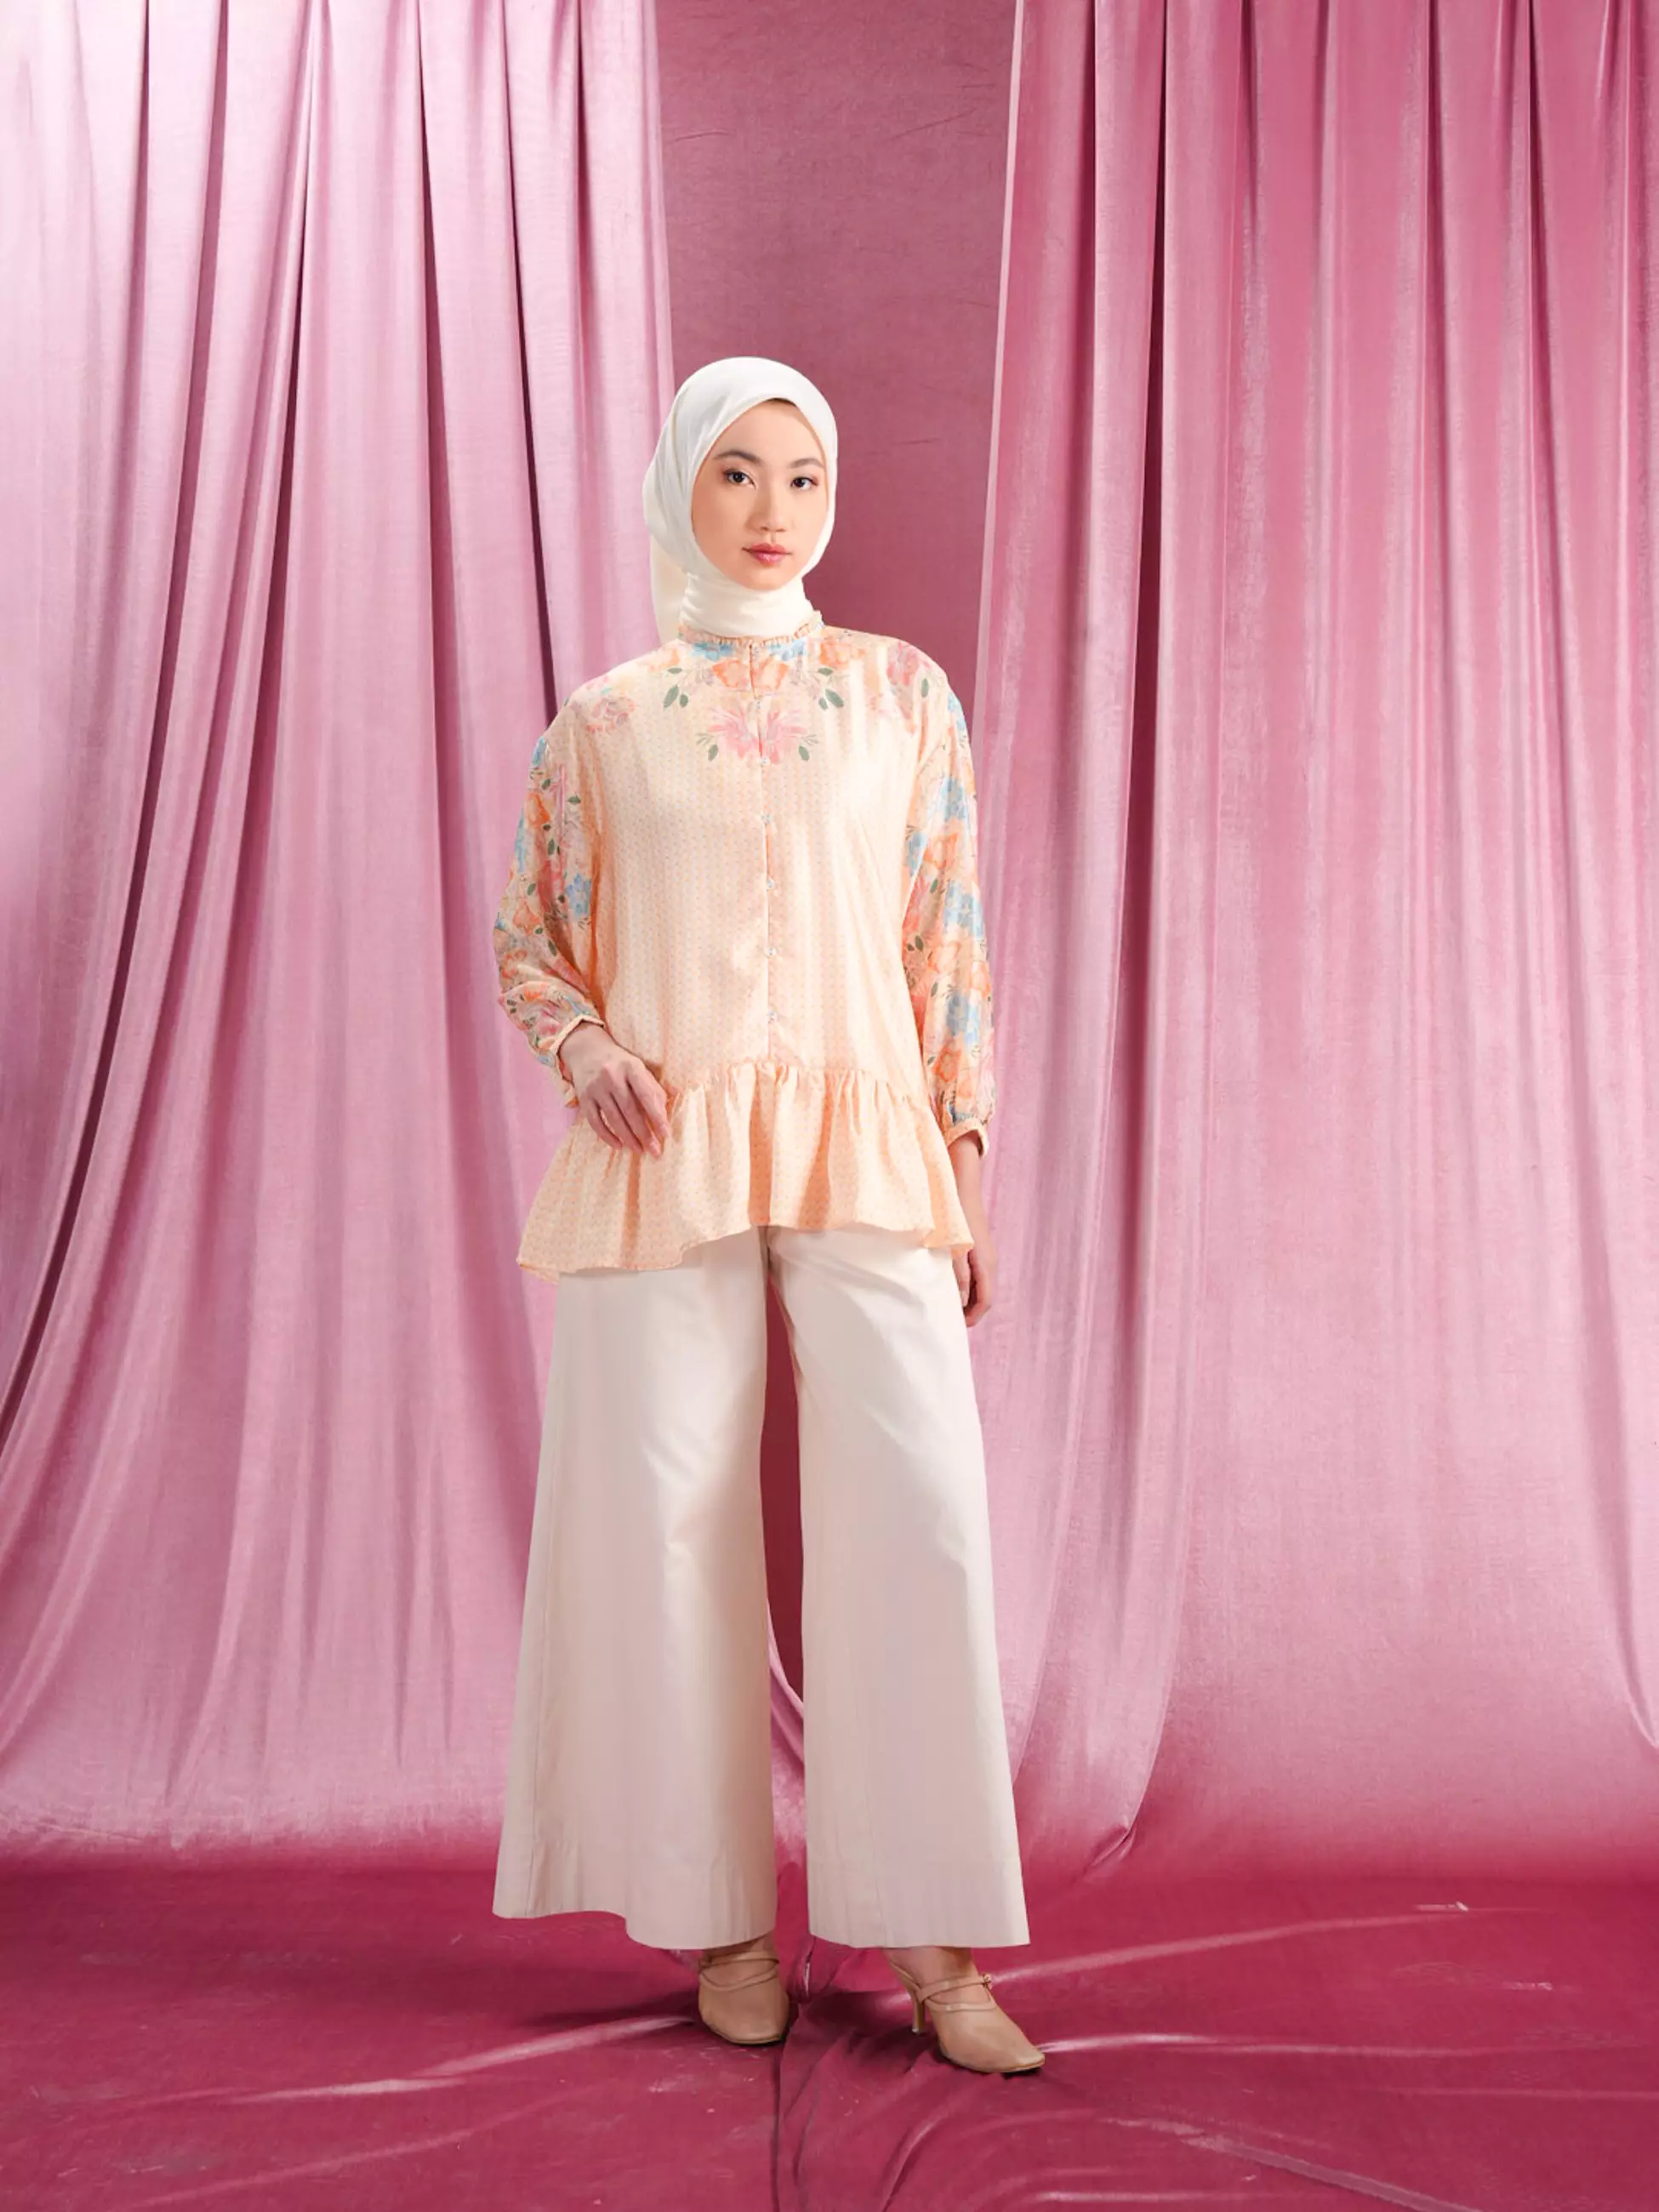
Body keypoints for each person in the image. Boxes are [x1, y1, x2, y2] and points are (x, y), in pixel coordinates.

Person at [488, 356, 1043, 2076]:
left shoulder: (899, 696)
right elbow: (532, 936)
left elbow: (947, 936)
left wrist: (962, 1162)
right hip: (665, 1149)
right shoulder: (605, 722)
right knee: (664, 1516)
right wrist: (585, 1050)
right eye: (736, 472)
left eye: (803, 476)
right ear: (680, 487)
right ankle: (719, 1916)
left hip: (869, 1137)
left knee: (918, 1508)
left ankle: (937, 1939)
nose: (773, 509)